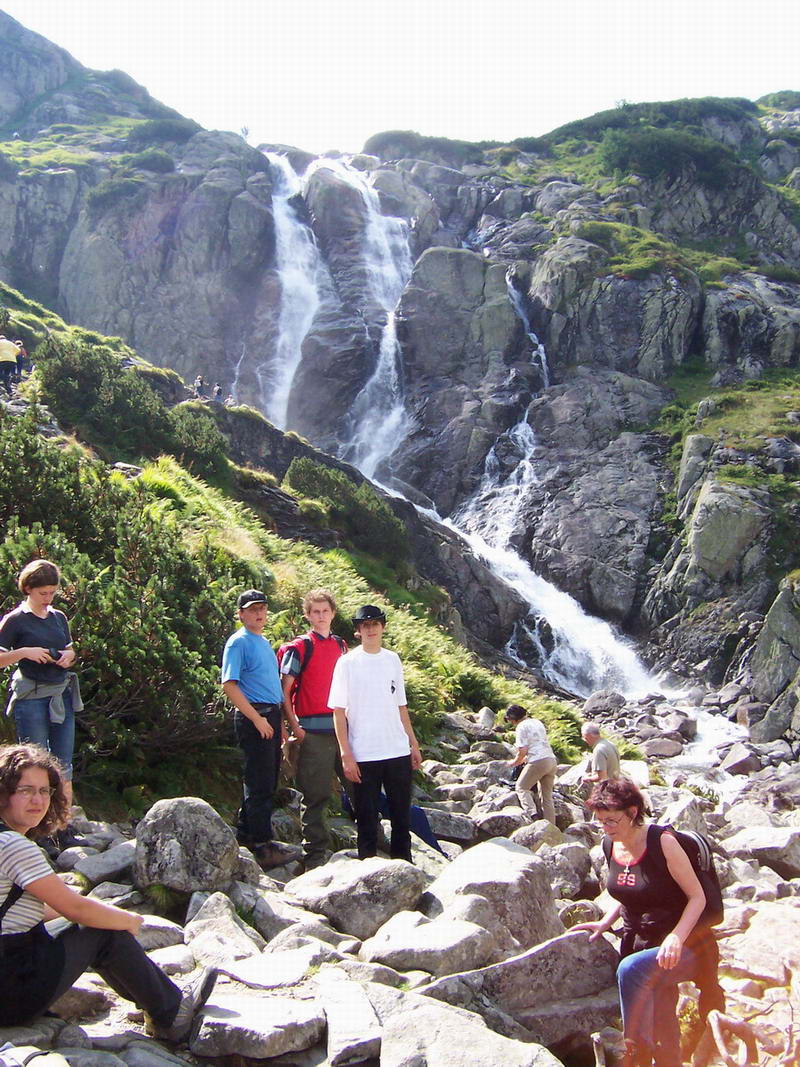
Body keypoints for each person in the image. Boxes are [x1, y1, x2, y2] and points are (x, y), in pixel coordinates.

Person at [0, 743, 217, 1038]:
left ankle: (157, 1005)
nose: (37, 800)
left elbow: (36, 908)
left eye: (44, 791)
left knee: (96, 922)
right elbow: (75, 910)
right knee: (100, 930)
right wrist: (127, 921)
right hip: (10, 992)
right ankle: (170, 1012)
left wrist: (102, 914)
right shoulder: (14, 846)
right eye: (26, 790)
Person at [574, 779, 723, 1067]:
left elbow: (698, 898)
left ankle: (634, 1054)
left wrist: (676, 937)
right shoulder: (610, 844)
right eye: (601, 821)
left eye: (612, 820)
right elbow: (630, 893)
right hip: (639, 941)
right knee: (661, 1013)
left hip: (686, 945)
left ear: (632, 812)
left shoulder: (663, 843)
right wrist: (605, 922)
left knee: (631, 970)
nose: (606, 828)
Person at [329, 605, 422, 862]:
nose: (371, 629)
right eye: (365, 625)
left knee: (401, 815)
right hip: (364, 752)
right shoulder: (347, 663)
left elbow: (401, 706)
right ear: (358, 631)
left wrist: (413, 744)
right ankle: (367, 868)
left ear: (383, 627)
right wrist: (346, 754)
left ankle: (404, 866)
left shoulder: (392, 659)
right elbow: (338, 711)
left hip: (397, 749)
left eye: (375, 624)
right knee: (366, 817)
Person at [0, 560, 83, 847]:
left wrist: (69, 657)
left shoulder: (58, 617)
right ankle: (36, 831)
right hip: (32, 697)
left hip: (60, 694)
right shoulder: (15, 620)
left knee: (63, 764)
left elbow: (70, 650)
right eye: (42, 593)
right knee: (34, 765)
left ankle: (63, 827)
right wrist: (25, 652)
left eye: (51, 592)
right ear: (28, 589)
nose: (48, 598)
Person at [221, 589, 299, 870]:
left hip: (270, 716)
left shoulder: (263, 641)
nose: (259, 614)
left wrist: (279, 724)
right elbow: (230, 685)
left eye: (262, 608)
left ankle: (246, 835)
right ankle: (263, 847)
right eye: (252, 609)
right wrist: (257, 719)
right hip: (256, 717)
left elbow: (271, 685)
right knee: (260, 783)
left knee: (265, 779)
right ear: (241, 614)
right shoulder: (238, 642)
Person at [280, 589, 348, 870]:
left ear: (333, 613)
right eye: (315, 612)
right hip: (312, 732)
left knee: (359, 786)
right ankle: (315, 855)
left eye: (325, 611)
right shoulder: (300, 648)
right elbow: (284, 691)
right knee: (315, 795)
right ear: (307, 615)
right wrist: (295, 726)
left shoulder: (341, 646)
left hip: (342, 730)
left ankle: (371, 839)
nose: (321, 616)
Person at [505, 704, 558, 824]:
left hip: (538, 761)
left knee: (521, 788)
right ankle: (551, 827)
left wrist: (515, 762)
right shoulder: (537, 722)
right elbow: (537, 744)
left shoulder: (521, 727)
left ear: (513, 718)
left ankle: (533, 818)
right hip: (551, 760)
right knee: (547, 797)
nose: (511, 723)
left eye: (509, 720)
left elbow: (523, 750)